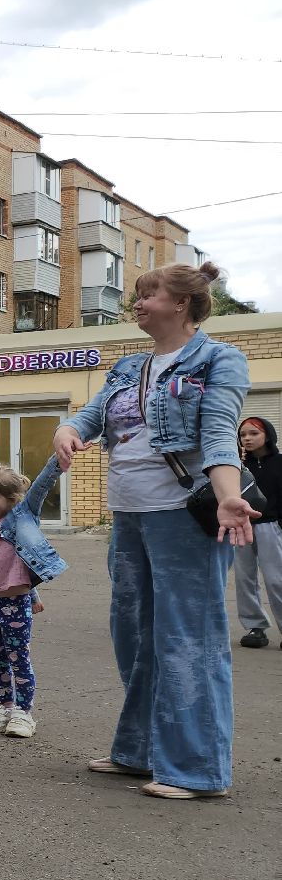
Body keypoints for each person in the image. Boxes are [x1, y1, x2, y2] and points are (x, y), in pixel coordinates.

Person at [54, 261, 254, 799]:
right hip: (129, 515)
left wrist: (229, 496)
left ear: (182, 304)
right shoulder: (128, 367)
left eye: (148, 294)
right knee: (133, 633)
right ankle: (140, 750)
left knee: (187, 638)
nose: (137, 303)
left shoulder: (219, 359)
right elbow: (92, 416)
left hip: (182, 515)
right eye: (137, 296)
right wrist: (67, 429)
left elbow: (217, 435)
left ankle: (196, 768)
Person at [0, 460, 67, 739]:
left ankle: (23, 713)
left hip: (14, 606)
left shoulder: (20, 518)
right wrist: (34, 591)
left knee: (18, 659)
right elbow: (12, 565)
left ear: (13, 500)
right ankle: (5, 707)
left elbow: (39, 488)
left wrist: (57, 462)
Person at [233, 416, 282, 648]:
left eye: (253, 433)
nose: (247, 438)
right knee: (244, 579)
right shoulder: (238, 466)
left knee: (276, 580)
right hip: (242, 527)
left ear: (267, 435)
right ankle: (256, 627)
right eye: (243, 435)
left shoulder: (280, 462)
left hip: (271, 527)